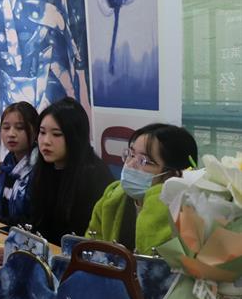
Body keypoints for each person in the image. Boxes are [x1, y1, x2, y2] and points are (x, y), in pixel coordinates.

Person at [86, 124, 198, 255]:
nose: (130, 164)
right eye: (131, 154)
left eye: (145, 161)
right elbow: (90, 248)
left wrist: (156, 202)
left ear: (173, 175)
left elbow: (158, 263)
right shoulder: (113, 198)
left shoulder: (184, 215)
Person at [30, 97, 114, 245]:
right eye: (42, 132)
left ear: (75, 136)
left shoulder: (92, 176)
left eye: (56, 134)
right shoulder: (44, 169)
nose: (46, 141)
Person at [0, 102, 39, 226]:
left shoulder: (41, 171)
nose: (11, 134)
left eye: (20, 128)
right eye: (6, 128)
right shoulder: (2, 169)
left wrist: (2, 223)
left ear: (35, 131)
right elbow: (0, 205)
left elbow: (36, 217)